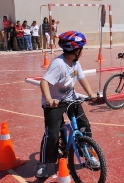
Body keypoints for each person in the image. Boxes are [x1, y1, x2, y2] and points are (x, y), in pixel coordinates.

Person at [36, 31, 100, 178]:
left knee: (84, 126)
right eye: (81, 49)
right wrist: (49, 100)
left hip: (71, 99)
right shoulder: (59, 64)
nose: (82, 51)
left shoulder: (76, 63)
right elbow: (44, 82)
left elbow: (82, 79)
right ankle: (44, 163)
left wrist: (90, 94)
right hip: (54, 103)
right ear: (76, 50)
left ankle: (88, 155)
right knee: (51, 133)